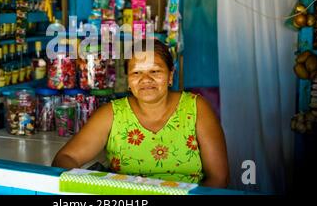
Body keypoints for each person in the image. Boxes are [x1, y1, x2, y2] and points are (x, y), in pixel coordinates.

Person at [52, 38, 229, 188]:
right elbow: (66, 158)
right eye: (137, 72)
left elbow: (219, 178)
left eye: (155, 71)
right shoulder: (111, 114)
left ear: (170, 75)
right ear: (128, 80)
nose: (146, 79)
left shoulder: (196, 108)